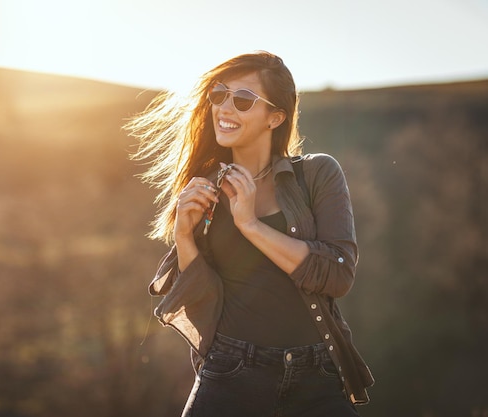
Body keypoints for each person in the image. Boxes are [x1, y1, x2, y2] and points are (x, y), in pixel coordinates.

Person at [125, 51, 374, 417]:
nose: (225, 108)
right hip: (230, 372)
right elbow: (205, 303)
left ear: (275, 117)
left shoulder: (318, 174)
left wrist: (250, 225)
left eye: (243, 100)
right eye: (219, 95)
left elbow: (337, 274)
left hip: (317, 376)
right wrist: (183, 237)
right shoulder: (205, 189)